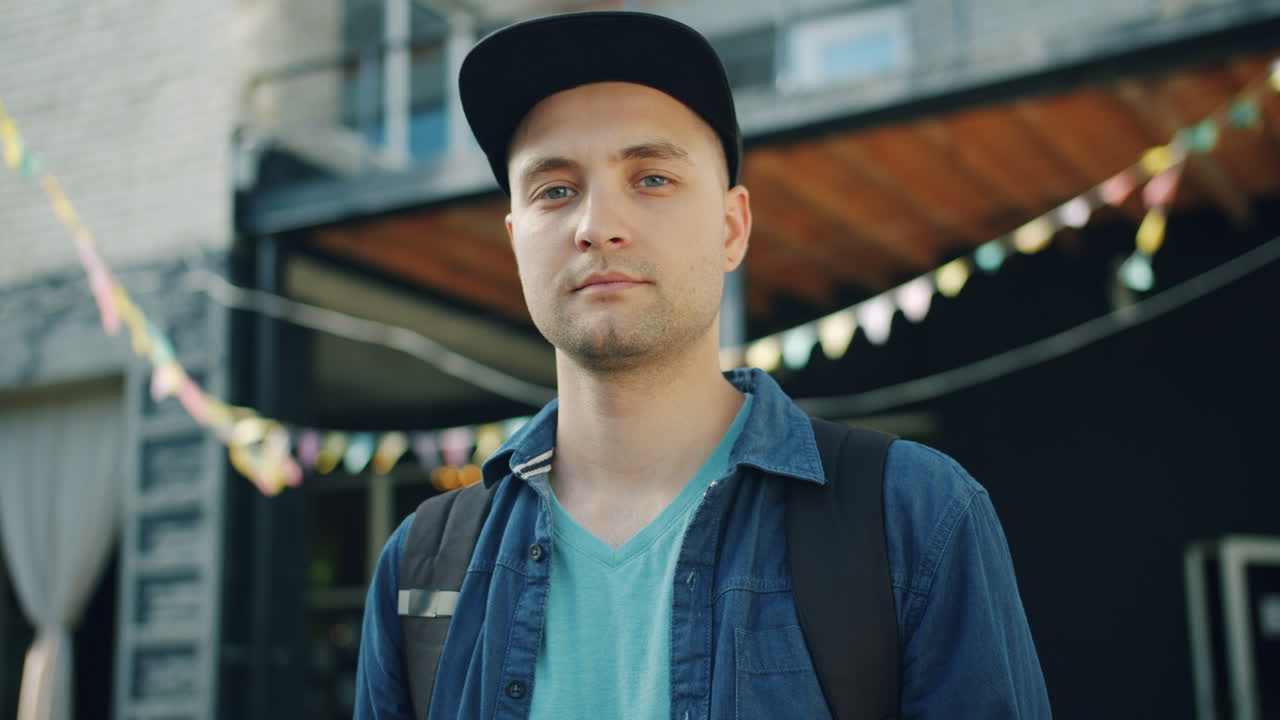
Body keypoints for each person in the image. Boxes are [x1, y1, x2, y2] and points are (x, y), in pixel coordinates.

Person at [355, 11, 1050, 719]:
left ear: (732, 227)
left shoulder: (916, 517)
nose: (597, 225)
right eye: (554, 189)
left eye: (651, 178)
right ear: (515, 240)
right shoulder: (421, 568)